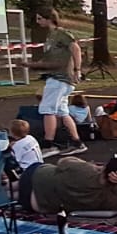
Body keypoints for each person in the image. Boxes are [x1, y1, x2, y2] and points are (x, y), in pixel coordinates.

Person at [24, 155, 117, 218]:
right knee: (13, 194)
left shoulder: (86, 169)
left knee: (10, 187)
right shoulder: (110, 199)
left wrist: (88, 165)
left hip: (37, 175)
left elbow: (62, 162)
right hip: (35, 203)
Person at [32, 10, 86, 154]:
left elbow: (75, 48)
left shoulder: (61, 33)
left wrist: (77, 69)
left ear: (49, 19)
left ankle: (49, 145)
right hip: (57, 78)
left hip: (60, 79)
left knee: (47, 110)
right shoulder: (51, 36)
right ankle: (77, 142)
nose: (38, 22)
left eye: (40, 18)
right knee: (63, 112)